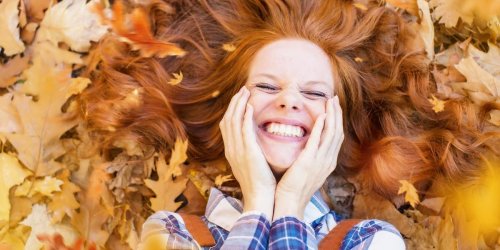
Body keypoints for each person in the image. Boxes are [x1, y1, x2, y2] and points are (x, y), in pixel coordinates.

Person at [79, 0, 497, 249]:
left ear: (338, 123)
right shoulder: (169, 231)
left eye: (314, 94)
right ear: (230, 109)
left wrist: (290, 201)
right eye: (265, 85)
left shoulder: (372, 241)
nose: (289, 101)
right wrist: (260, 201)